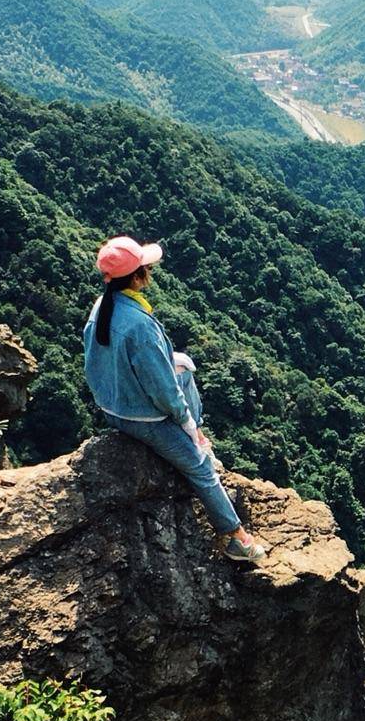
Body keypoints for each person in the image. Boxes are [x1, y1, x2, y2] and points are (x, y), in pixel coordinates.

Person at [83, 235, 267, 562]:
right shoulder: (139, 325)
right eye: (146, 267)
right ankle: (237, 539)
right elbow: (163, 389)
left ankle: (195, 437)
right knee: (201, 468)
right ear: (137, 276)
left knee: (183, 365)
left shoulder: (104, 306)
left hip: (112, 403)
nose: (150, 272)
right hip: (143, 418)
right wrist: (186, 423)